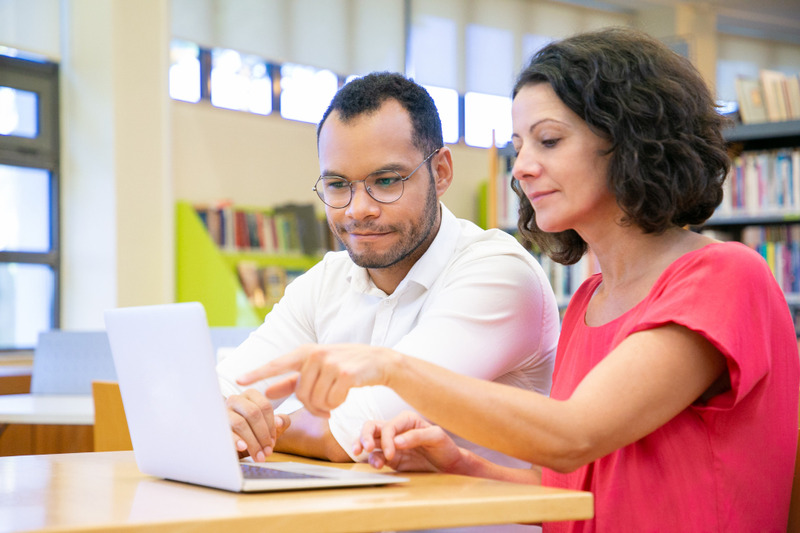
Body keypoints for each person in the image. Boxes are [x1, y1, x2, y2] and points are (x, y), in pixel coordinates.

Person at [237, 28, 800, 532]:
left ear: (632, 140)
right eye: (519, 146)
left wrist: (391, 368)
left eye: (549, 140)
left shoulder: (722, 276)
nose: (523, 166)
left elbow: (574, 435)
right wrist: (461, 464)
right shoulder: (589, 301)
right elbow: (571, 494)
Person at [218, 72, 560, 471]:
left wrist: (250, 428)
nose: (357, 209)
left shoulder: (498, 274)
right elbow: (215, 398)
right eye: (337, 184)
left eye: (385, 181)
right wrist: (225, 417)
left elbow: (350, 434)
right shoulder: (324, 282)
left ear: (442, 172)